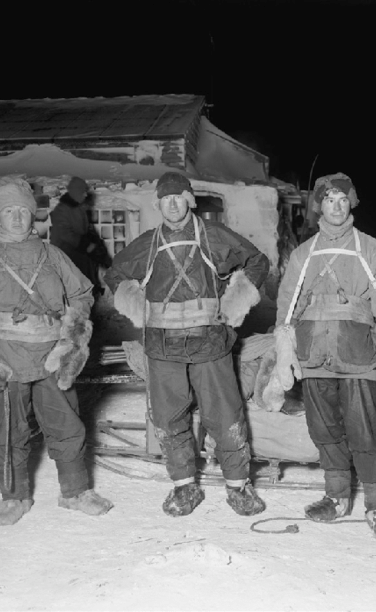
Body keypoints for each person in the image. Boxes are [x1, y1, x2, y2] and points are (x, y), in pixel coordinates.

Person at [0, 177, 113, 526]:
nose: (18, 219)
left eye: (23, 211)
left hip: (52, 355)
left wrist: (71, 342)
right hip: (4, 358)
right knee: (8, 429)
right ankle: (14, 496)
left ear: (33, 215)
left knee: (67, 424)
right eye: (9, 212)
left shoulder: (53, 256)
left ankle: (75, 491)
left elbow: (82, 295)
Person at [104, 171, 269, 517]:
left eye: (179, 196)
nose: (173, 204)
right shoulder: (148, 244)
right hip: (163, 348)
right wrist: (137, 306)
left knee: (225, 415)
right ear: (158, 204)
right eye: (166, 198)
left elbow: (257, 261)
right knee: (168, 418)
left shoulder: (213, 237)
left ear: (190, 200)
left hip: (210, 344)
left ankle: (239, 486)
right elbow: (115, 274)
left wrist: (236, 301)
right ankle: (184, 487)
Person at [270, 172, 376, 541]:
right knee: (324, 430)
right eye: (329, 199)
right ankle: (336, 496)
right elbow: (288, 307)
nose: (336, 205)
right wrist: (285, 347)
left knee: (364, 431)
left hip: (356, 355)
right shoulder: (304, 254)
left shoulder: (370, 249)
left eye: (342, 199)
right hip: (314, 355)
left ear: (351, 204)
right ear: (319, 205)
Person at [49, 176, 109, 295]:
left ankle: (91, 295)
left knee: (89, 268)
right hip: (66, 252)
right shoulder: (61, 210)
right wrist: (85, 244)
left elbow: (85, 228)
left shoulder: (79, 207)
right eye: (83, 192)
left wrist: (94, 242)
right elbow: (64, 233)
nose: (86, 195)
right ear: (76, 192)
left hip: (78, 249)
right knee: (76, 279)